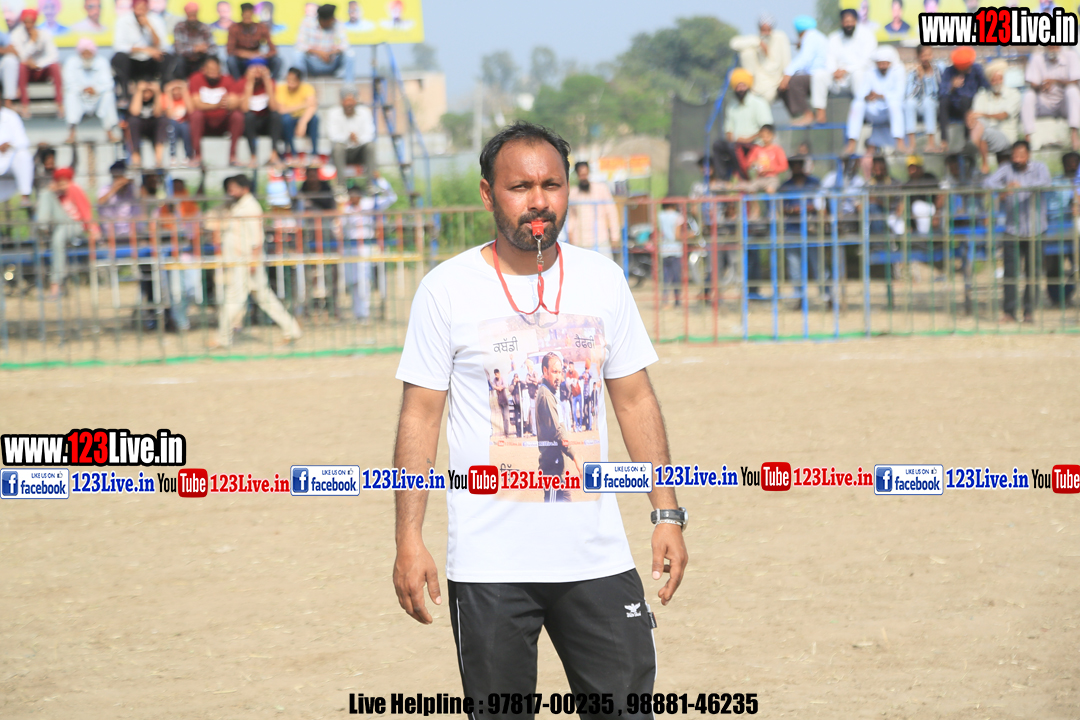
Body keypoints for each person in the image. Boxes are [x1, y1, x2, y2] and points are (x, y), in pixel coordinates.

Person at [391, 121, 687, 713]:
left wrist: (667, 513)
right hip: (489, 567)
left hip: (596, 558)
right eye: (520, 187)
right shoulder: (446, 290)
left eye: (551, 185)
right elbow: (419, 418)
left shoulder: (602, 280)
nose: (538, 201)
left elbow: (634, 400)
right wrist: (408, 538)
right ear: (487, 193)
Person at [212, 173, 303, 347]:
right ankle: (292, 330)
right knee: (265, 298)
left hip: (245, 261)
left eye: (234, 187)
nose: (230, 191)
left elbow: (257, 238)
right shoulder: (238, 205)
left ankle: (222, 338)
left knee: (233, 299)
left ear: (245, 188)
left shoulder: (250, 207)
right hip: (243, 261)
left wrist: (253, 261)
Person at [983, 140, 1051, 322]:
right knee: (1010, 274)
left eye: (1021, 155)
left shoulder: (1040, 168)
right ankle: (1009, 312)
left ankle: (1029, 312)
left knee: (1033, 273)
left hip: (1037, 229)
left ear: (1028, 155)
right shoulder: (1006, 168)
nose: (1017, 159)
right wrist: (1005, 188)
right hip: (1012, 229)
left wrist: (1022, 185)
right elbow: (987, 182)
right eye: (1014, 155)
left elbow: (1046, 182)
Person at [339, 174, 397, 320]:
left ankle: (364, 313)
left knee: (364, 279)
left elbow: (391, 197)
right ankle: (357, 313)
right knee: (353, 281)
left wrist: (380, 180)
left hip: (366, 246)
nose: (353, 197)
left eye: (355, 194)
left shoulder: (369, 204)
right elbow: (339, 226)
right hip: (350, 247)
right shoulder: (346, 208)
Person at [37, 166, 97, 298]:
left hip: (76, 225)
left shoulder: (74, 189)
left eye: (64, 181)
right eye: (59, 181)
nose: (62, 184)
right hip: (61, 224)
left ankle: (56, 284)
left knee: (58, 239)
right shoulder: (58, 194)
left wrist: (93, 229)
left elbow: (85, 210)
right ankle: (43, 226)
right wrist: (52, 191)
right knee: (45, 194)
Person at [814, 8, 877, 126]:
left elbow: (867, 61)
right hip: (838, 78)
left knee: (859, 74)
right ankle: (820, 113)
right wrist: (834, 71)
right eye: (846, 22)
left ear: (856, 21)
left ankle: (862, 112)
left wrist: (846, 70)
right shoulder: (834, 37)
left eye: (851, 21)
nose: (848, 24)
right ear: (841, 22)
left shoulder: (867, 35)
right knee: (819, 74)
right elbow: (829, 58)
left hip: (857, 76)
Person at [778, 156, 823, 307]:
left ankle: (827, 297)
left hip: (811, 230)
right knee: (795, 267)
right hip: (792, 230)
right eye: (794, 165)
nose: (797, 167)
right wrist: (793, 210)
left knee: (818, 265)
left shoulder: (814, 183)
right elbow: (780, 208)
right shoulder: (785, 186)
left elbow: (821, 204)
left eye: (799, 164)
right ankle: (799, 298)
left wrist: (809, 208)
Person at [845, 45, 905, 156]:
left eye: (885, 63)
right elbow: (861, 93)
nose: (882, 66)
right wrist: (868, 96)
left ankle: (900, 143)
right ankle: (851, 143)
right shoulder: (870, 71)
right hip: (873, 110)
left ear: (890, 63)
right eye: (880, 64)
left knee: (894, 104)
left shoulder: (898, 70)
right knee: (857, 104)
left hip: (889, 110)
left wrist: (880, 96)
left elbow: (899, 95)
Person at [112, 0, 173, 106]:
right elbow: (119, 46)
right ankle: (125, 95)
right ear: (133, 8)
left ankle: (163, 92)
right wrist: (144, 49)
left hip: (150, 61)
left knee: (167, 58)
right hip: (132, 61)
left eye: (143, 8)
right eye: (138, 8)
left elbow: (163, 45)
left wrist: (149, 26)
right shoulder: (123, 20)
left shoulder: (156, 19)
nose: (141, 12)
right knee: (119, 58)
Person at [188, 55, 244, 165]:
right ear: (203, 69)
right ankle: (197, 155)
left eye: (216, 69)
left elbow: (235, 101)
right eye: (210, 69)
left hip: (223, 122)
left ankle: (233, 156)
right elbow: (196, 103)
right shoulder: (196, 78)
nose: (213, 72)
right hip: (204, 123)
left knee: (237, 115)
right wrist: (218, 105)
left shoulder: (227, 79)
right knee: (196, 115)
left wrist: (228, 103)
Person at [1021, 46, 1080, 151]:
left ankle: (1074, 135)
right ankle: (1028, 139)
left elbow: (1075, 81)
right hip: (1044, 101)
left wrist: (1055, 81)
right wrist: (1042, 86)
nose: (1053, 47)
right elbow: (1031, 82)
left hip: (1063, 103)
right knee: (1028, 95)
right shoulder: (1037, 57)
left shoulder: (1071, 55)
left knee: (1072, 91)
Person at [969, 59, 1021, 173]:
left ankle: (983, 163)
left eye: (999, 79)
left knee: (983, 130)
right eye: (993, 79)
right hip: (985, 134)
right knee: (980, 125)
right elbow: (974, 116)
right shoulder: (982, 95)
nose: (997, 82)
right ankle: (974, 148)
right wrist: (973, 118)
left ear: (1003, 79)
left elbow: (1004, 115)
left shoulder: (1013, 94)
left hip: (1006, 136)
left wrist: (982, 115)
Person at [62, 38, 118, 145]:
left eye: (89, 52)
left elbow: (108, 84)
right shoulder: (71, 62)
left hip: (97, 97)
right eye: (84, 52)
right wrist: (82, 89)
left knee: (109, 95)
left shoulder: (102, 61)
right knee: (70, 95)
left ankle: (110, 133)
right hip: (80, 97)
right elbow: (68, 84)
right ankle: (71, 133)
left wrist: (96, 89)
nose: (87, 55)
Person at [10, 9, 62, 118]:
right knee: (21, 66)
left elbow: (54, 55)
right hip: (27, 72)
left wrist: (38, 65)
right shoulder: (16, 34)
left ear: (35, 22)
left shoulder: (44, 33)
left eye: (31, 22)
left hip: (41, 70)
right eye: (26, 22)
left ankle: (60, 104)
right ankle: (25, 105)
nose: (28, 25)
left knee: (55, 66)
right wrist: (32, 41)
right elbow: (21, 56)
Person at [728, 13, 791, 103]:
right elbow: (733, 43)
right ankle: (749, 87)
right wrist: (758, 42)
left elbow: (787, 61)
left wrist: (785, 78)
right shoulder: (755, 39)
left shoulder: (780, 37)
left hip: (774, 83)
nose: (766, 33)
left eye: (768, 29)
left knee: (766, 98)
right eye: (763, 30)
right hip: (756, 82)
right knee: (746, 52)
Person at [778, 15, 828, 126]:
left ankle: (806, 115)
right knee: (788, 84)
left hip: (819, 76)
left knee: (792, 82)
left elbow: (805, 59)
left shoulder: (810, 37)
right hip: (816, 76)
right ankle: (798, 115)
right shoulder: (818, 37)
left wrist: (787, 73)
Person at [724, 68, 773, 176]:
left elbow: (766, 129)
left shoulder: (759, 103)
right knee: (718, 146)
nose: (740, 89)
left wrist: (748, 139)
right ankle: (724, 179)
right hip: (736, 144)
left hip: (754, 144)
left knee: (738, 150)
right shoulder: (731, 106)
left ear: (748, 86)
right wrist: (734, 140)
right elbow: (728, 130)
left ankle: (744, 176)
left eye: (743, 86)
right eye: (738, 86)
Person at [566, 161, 620, 259]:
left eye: (585, 174)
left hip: (600, 239)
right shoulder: (574, 193)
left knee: (605, 266)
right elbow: (572, 217)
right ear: (577, 175)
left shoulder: (601, 189)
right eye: (581, 175)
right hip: (581, 241)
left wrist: (615, 236)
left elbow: (612, 213)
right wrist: (570, 235)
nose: (584, 177)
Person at [938, 47, 990, 148]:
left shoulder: (976, 69)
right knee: (943, 101)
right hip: (953, 107)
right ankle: (944, 140)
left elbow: (986, 86)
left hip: (969, 106)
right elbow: (942, 92)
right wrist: (952, 86)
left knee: (965, 100)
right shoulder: (949, 71)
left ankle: (967, 139)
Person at [327, 86, 375, 188]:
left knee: (370, 146)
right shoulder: (333, 113)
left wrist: (357, 139)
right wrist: (348, 138)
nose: (349, 104)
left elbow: (369, 134)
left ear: (356, 101)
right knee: (338, 147)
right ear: (341, 101)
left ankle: (370, 184)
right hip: (342, 153)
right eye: (346, 101)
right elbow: (333, 136)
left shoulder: (365, 112)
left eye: (351, 101)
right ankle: (341, 185)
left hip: (359, 151)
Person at [295, 4, 353, 83]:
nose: (333, 20)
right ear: (322, 20)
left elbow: (345, 45)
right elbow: (300, 45)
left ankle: (349, 86)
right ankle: (301, 85)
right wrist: (319, 53)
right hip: (312, 63)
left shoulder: (338, 23)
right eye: (331, 20)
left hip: (331, 62)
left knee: (350, 54)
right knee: (297, 54)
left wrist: (330, 53)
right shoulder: (307, 22)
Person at [241, 58, 281, 166]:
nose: (257, 72)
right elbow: (244, 108)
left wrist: (267, 82)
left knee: (276, 116)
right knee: (248, 117)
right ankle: (253, 156)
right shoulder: (242, 82)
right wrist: (250, 83)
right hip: (250, 124)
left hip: (266, 122)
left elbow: (274, 107)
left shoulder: (271, 83)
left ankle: (274, 154)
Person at [904, 45, 942, 153]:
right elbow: (910, 94)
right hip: (919, 105)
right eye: (923, 55)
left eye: (929, 55)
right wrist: (919, 78)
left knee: (928, 102)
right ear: (918, 57)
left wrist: (926, 78)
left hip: (935, 105)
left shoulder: (938, 70)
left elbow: (937, 92)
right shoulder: (913, 73)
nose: (926, 58)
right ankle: (912, 144)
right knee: (909, 103)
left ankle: (931, 143)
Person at [227, 2, 280, 80]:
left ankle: (271, 82)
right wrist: (247, 54)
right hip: (242, 59)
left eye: (249, 15)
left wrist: (264, 55)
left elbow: (273, 49)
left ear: (253, 15)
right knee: (231, 60)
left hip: (258, 58)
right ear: (242, 15)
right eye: (245, 15)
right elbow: (230, 50)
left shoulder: (261, 27)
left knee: (277, 60)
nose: (247, 18)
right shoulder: (234, 28)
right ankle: (237, 83)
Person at [730, 124, 787, 195]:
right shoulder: (757, 149)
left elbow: (784, 166)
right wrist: (754, 164)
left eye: (767, 136)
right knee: (750, 189)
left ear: (773, 136)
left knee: (770, 190)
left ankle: (774, 202)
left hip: (772, 178)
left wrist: (770, 169)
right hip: (759, 178)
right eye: (763, 136)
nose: (765, 138)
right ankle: (753, 203)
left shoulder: (777, 149)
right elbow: (749, 163)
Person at [276, 67, 318, 156]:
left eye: (293, 81)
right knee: (286, 120)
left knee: (315, 119)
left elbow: (312, 106)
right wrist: (303, 104)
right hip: (288, 120)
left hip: (303, 118)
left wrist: (302, 123)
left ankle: (314, 153)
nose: (290, 83)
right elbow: (281, 110)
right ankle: (292, 153)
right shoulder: (281, 88)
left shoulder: (307, 88)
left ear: (300, 81)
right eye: (288, 80)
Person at [126, 80, 167, 168]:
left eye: (149, 92)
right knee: (133, 121)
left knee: (162, 120)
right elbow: (135, 112)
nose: (147, 94)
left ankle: (158, 160)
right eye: (145, 92)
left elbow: (158, 113)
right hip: (139, 128)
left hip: (153, 128)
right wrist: (139, 91)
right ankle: (136, 159)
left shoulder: (156, 97)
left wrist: (157, 93)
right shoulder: (135, 97)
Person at [172, 2, 215, 81]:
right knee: (178, 60)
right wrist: (194, 49)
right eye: (190, 15)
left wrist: (205, 49)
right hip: (185, 60)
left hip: (200, 59)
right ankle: (180, 81)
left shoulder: (205, 28)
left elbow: (213, 49)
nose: (192, 18)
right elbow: (178, 49)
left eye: (194, 15)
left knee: (210, 60)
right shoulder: (180, 27)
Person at [0, 105, 32, 206]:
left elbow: (23, 141)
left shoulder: (11, 116)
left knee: (23, 154)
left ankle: (25, 196)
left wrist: (10, 145)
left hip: (9, 160)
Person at [97, 159, 138, 237]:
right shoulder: (106, 189)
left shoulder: (131, 189)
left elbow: (142, 198)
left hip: (130, 233)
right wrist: (115, 188)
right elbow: (100, 202)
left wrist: (129, 183)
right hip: (111, 233)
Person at [657, 201, 686, 307]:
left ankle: (665, 300)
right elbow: (676, 235)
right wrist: (690, 235)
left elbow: (659, 233)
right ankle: (677, 301)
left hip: (664, 249)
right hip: (675, 250)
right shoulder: (678, 216)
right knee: (676, 277)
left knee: (665, 277)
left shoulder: (660, 216)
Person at [904, 155, 940, 234]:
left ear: (921, 168)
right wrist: (909, 224)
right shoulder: (907, 185)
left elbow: (940, 196)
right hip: (916, 217)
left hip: (934, 210)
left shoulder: (929, 178)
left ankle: (925, 237)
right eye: (910, 168)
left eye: (915, 168)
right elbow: (906, 206)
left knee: (917, 206)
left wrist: (937, 213)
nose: (912, 171)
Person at [161, 79, 193, 164]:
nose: (176, 92)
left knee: (186, 128)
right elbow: (170, 114)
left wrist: (185, 92)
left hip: (185, 123)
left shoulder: (187, 97)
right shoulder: (165, 97)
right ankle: (172, 155)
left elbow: (191, 110)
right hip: (172, 124)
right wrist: (168, 94)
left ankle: (189, 155)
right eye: (173, 89)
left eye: (178, 89)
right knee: (172, 126)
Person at [491, 368, 510, 436]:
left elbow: (505, 385)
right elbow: (493, 386)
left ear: (499, 373)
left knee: (506, 417)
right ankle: (505, 432)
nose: (496, 376)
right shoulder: (494, 380)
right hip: (500, 400)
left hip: (504, 400)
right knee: (503, 417)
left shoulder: (502, 379)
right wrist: (497, 388)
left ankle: (507, 432)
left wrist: (500, 387)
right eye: (495, 375)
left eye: (497, 374)